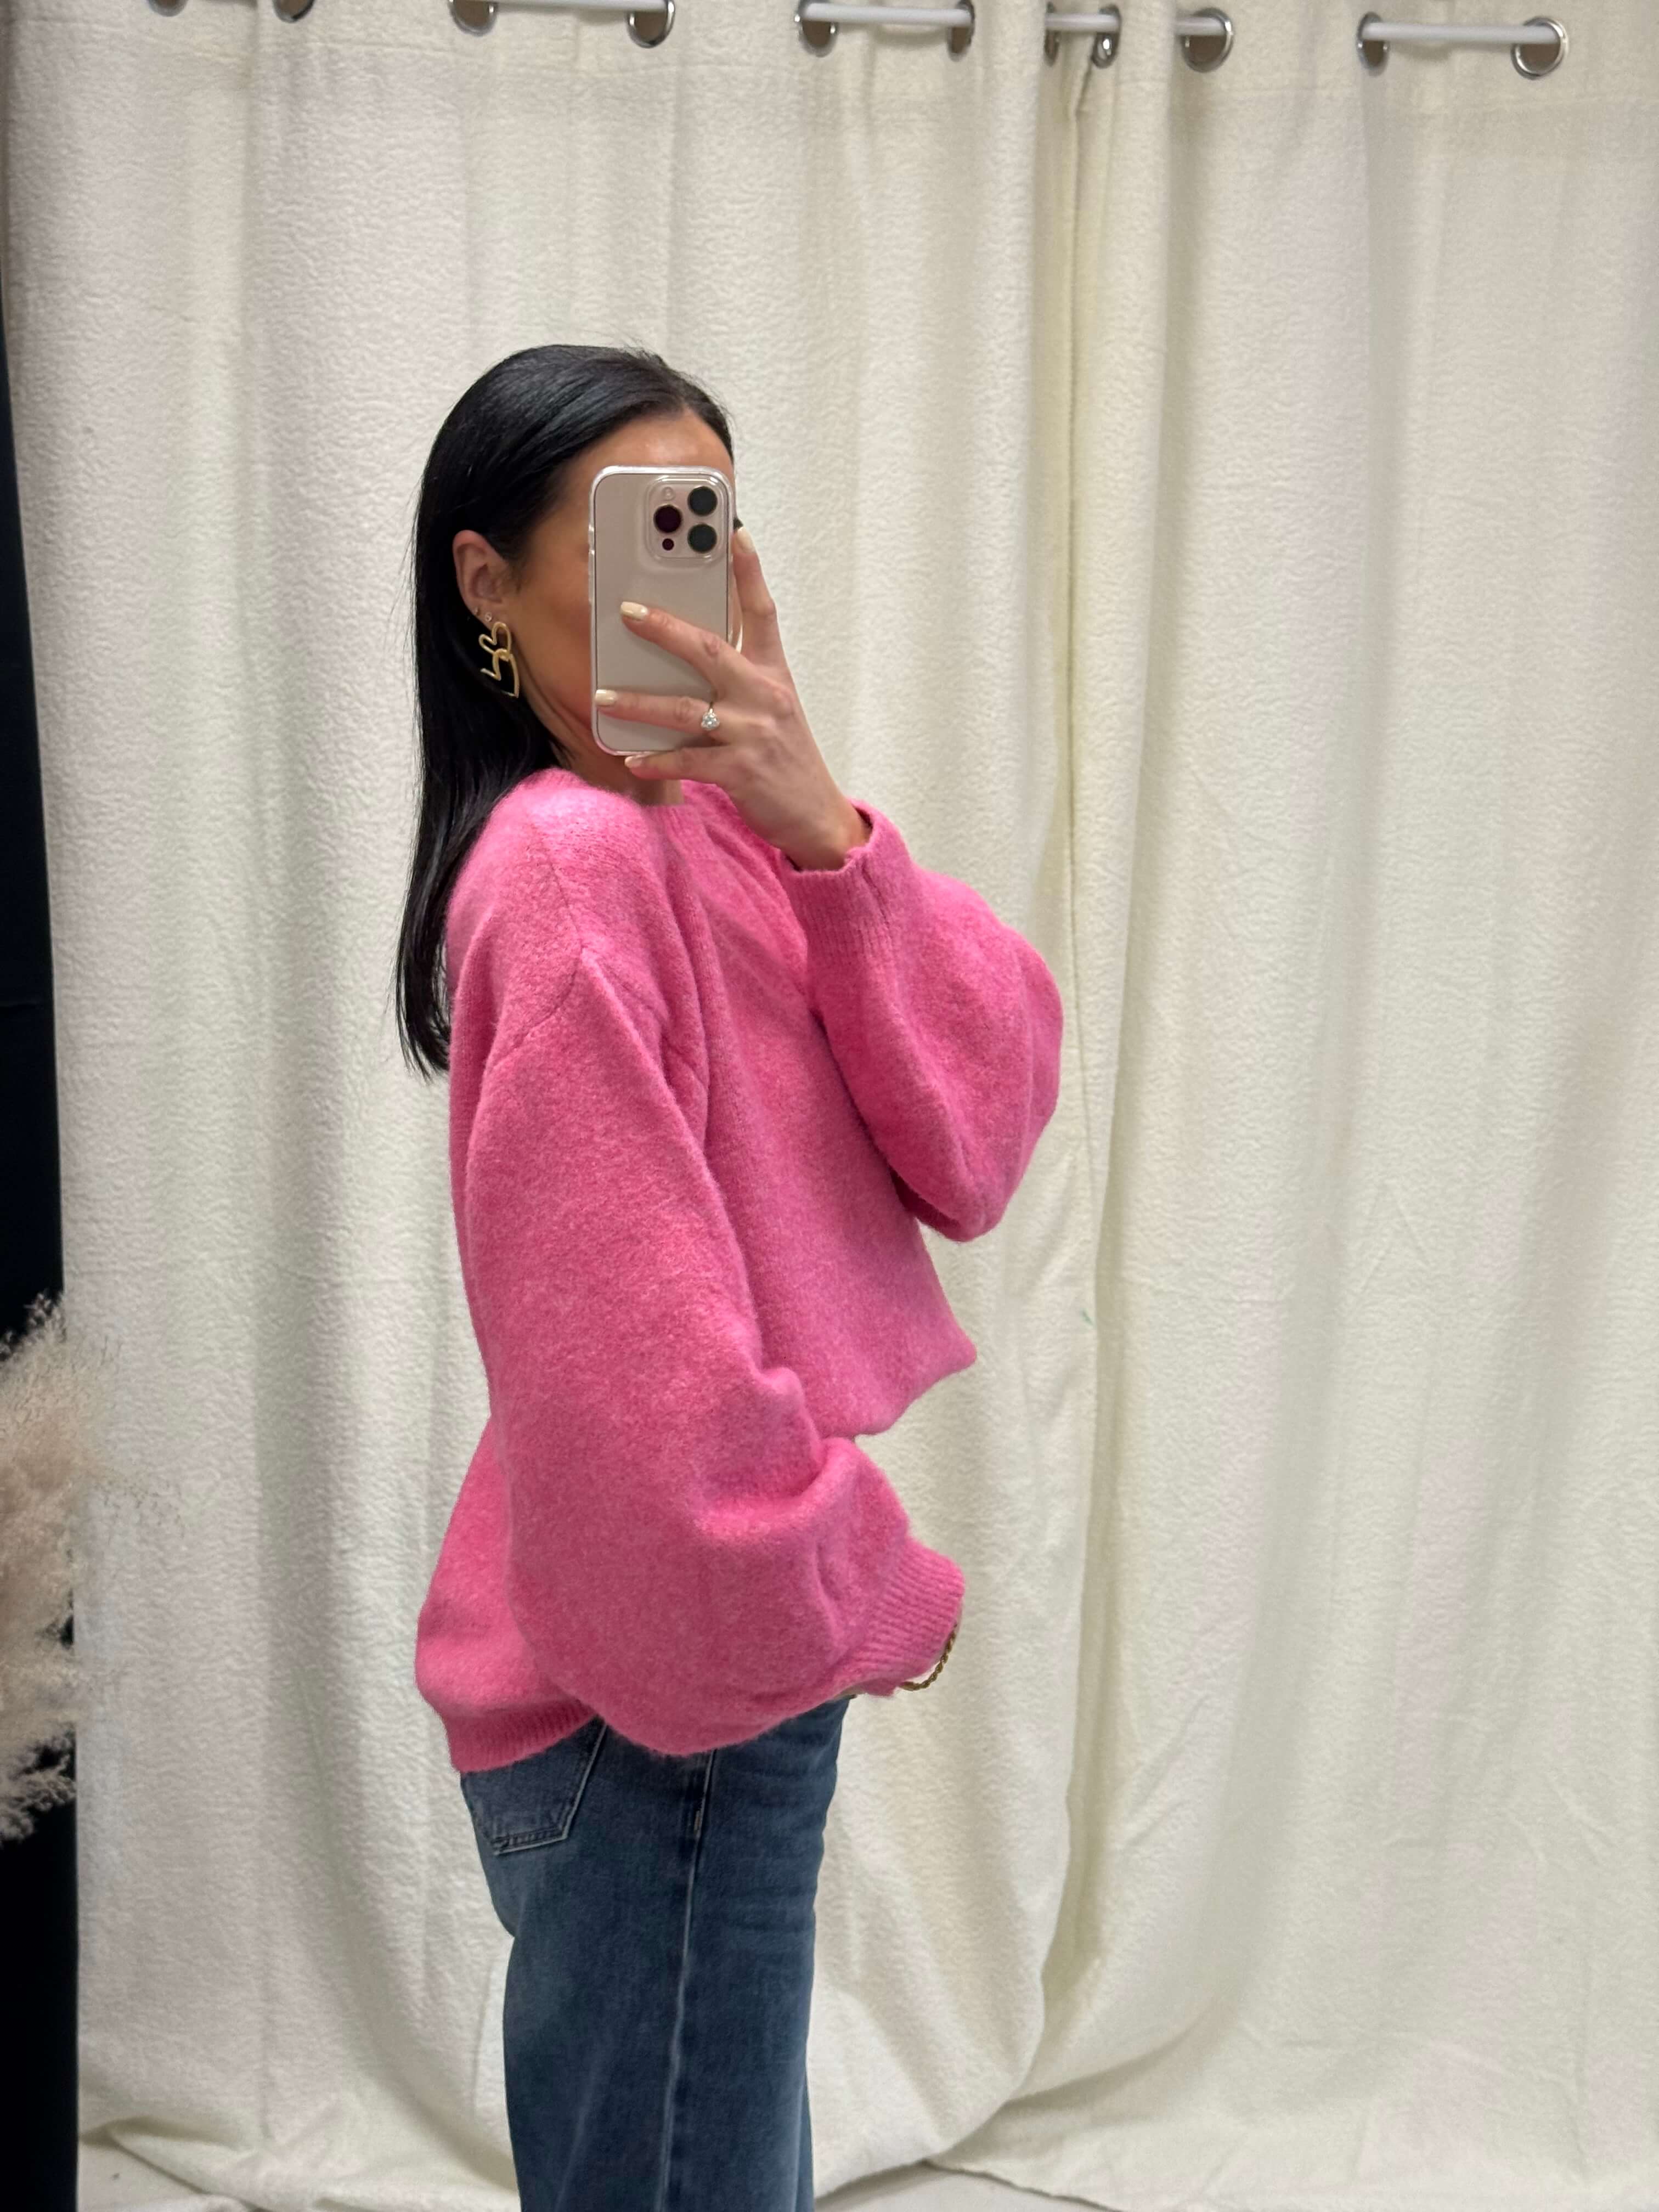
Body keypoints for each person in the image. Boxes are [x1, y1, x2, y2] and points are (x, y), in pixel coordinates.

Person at [393, 342, 1063, 2210]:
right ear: (484, 583)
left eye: (704, 524)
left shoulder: (714, 832)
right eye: (634, 528)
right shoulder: (565, 865)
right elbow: (636, 1391)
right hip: (663, 1692)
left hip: (693, 1668)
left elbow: (978, 1133)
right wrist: (865, 1577)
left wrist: (824, 825)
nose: (680, 574)